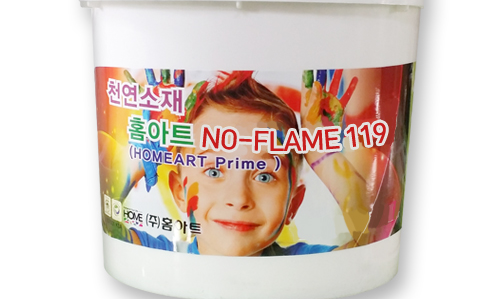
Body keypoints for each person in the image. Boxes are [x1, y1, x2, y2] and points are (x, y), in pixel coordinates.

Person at [128, 70, 400, 255]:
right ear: (179, 192)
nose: (239, 199)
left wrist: (323, 153)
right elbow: (110, 225)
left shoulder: (308, 267)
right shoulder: (160, 256)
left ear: (293, 203)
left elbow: (375, 239)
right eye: (213, 171)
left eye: (264, 175)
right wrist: (139, 158)